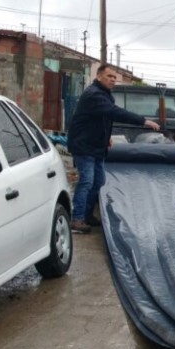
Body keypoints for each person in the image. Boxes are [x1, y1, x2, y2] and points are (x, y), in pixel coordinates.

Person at [68, 64, 160, 234]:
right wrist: (143, 121)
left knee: (98, 181)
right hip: (84, 145)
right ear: (99, 76)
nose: (112, 80)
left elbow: (102, 118)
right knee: (87, 181)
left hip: (96, 145)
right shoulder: (94, 94)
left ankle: (87, 215)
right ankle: (77, 218)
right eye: (109, 76)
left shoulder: (105, 94)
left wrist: (106, 137)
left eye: (114, 77)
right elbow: (114, 113)